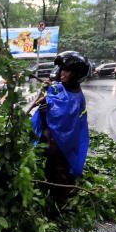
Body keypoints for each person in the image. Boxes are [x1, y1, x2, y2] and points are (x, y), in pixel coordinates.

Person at [31, 51, 90, 201]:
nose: (62, 73)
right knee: (50, 168)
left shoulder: (75, 98)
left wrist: (47, 109)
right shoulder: (62, 88)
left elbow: (63, 121)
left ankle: (61, 201)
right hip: (54, 141)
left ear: (76, 75)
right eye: (62, 70)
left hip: (63, 142)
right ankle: (51, 193)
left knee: (59, 170)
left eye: (67, 71)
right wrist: (45, 94)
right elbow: (50, 96)